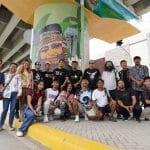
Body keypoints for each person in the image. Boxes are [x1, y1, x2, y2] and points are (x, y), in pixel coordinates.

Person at [0, 63, 22, 131]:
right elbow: (2, 84)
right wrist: (1, 92)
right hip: (6, 94)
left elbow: (20, 85)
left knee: (12, 110)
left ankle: (10, 125)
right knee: (5, 110)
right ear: (9, 67)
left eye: (15, 67)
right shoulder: (5, 75)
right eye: (12, 66)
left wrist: (19, 94)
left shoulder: (18, 76)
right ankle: (1, 125)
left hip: (14, 94)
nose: (13, 68)